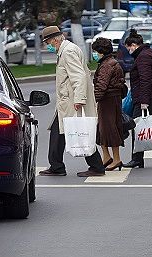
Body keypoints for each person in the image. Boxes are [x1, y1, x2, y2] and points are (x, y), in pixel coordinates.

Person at [39, 26, 105, 177]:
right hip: (67, 101)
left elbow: (79, 76)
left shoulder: (67, 52)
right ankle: (56, 166)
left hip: (72, 101)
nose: (47, 45)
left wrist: (79, 99)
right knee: (58, 132)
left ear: (55, 39)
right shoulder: (66, 50)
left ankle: (96, 166)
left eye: (48, 42)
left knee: (80, 132)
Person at [123, 29, 152, 168]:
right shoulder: (146, 53)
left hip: (149, 99)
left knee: (144, 127)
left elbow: (145, 80)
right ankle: (137, 158)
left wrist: (144, 101)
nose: (128, 51)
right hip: (151, 97)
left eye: (128, 48)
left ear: (133, 45)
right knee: (142, 126)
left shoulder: (143, 57)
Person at [92, 38, 125, 171]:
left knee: (110, 129)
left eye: (95, 51)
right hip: (112, 99)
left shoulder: (107, 65)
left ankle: (116, 159)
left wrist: (95, 99)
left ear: (100, 51)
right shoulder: (110, 62)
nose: (94, 54)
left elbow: (102, 85)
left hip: (108, 100)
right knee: (103, 130)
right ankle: (106, 157)